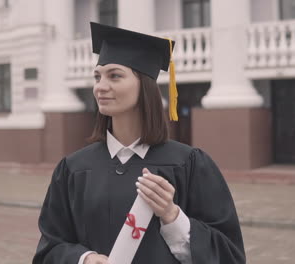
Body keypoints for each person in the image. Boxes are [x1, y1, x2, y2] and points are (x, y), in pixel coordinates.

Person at [32, 22, 245, 264]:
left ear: (144, 85)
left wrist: (172, 216)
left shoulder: (189, 164)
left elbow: (230, 256)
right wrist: (84, 259)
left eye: (114, 75)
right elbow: (49, 249)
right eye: (97, 76)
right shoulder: (73, 168)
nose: (100, 87)